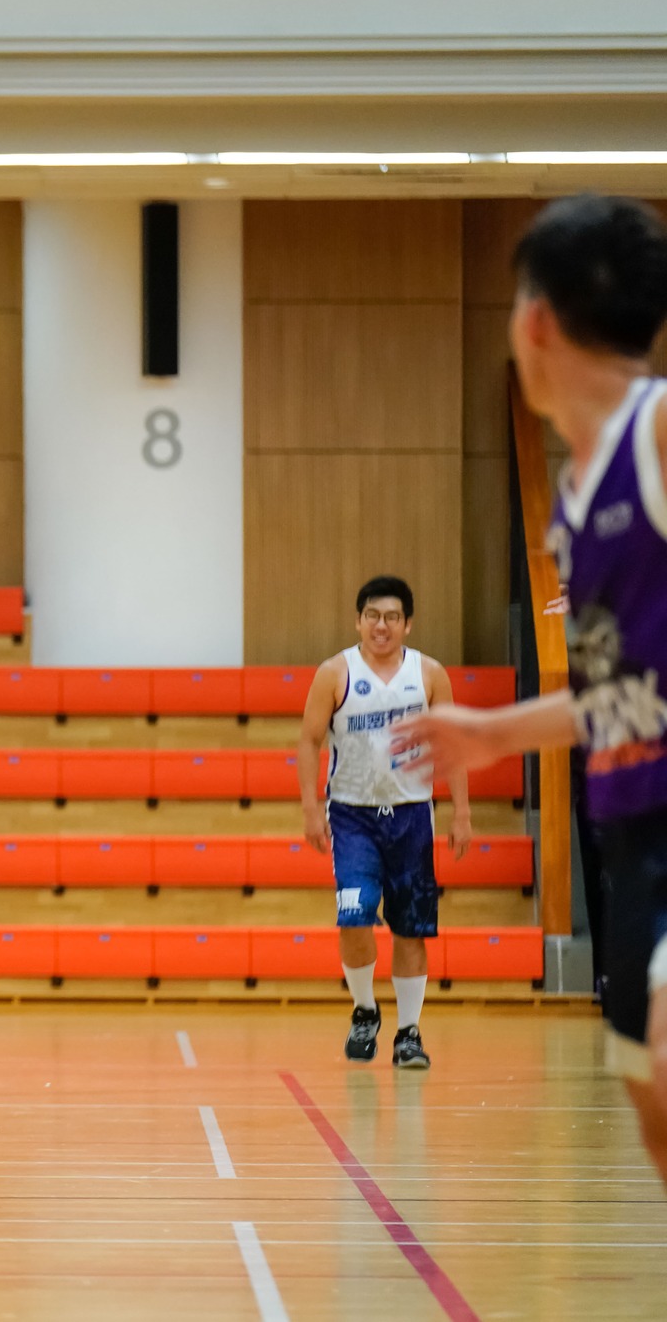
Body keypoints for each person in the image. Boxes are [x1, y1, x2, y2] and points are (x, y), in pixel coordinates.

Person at [399, 193, 667, 1182]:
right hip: (632, 833)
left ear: (535, 319)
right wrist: (494, 732)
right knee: (652, 1106)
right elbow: (618, 688)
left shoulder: (657, 430)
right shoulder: (575, 499)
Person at [297, 576, 472, 1070]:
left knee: (410, 928)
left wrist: (461, 810)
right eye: (372, 616)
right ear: (358, 621)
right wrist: (310, 808)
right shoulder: (335, 673)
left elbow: (451, 743)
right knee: (354, 916)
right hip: (352, 815)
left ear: (407, 624)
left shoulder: (429, 674)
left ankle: (409, 1034)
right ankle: (364, 1010)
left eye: (392, 617)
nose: (381, 625)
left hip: (412, 813)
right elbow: (309, 740)